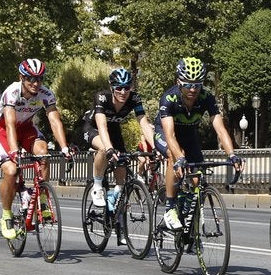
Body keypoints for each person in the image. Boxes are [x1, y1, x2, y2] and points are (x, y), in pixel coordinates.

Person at [153, 57, 241, 232]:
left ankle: (190, 228)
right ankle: (170, 208)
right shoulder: (169, 98)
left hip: (189, 135)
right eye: (188, 85)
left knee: (197, 180)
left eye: (197, 85)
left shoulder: (206, 98)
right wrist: (180, 158)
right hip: (165, 133)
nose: (193, 89)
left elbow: (220, 129)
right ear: (178, 82)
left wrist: (232, 154)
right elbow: (170, 135)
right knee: (173, 155)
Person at [0, 59, 73, 240]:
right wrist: (14, 151)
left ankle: (42, 199)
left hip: (27, 128)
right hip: (3, 130)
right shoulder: (11, 92)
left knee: (43, 153)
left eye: (39, 78)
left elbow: (54, 121)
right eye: (31, 79)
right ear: (21, 77)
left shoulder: (46, 94)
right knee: (11, 171)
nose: (36, 83)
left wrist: (65, 148)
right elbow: (10, 124)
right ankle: (6, 215)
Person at [79, 67, 156, 209]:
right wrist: (109, 148)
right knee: (104, 149)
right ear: (111, 87)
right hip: (92, 127)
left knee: (122, 165)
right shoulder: (102, 97)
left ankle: (115, 198)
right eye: (119, 88)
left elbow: (144, 124)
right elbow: (102, 126)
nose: (123, 92)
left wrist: (157, 147)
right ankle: (97, 186)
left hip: (114, 129)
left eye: (127, 88)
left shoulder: (134, 98)